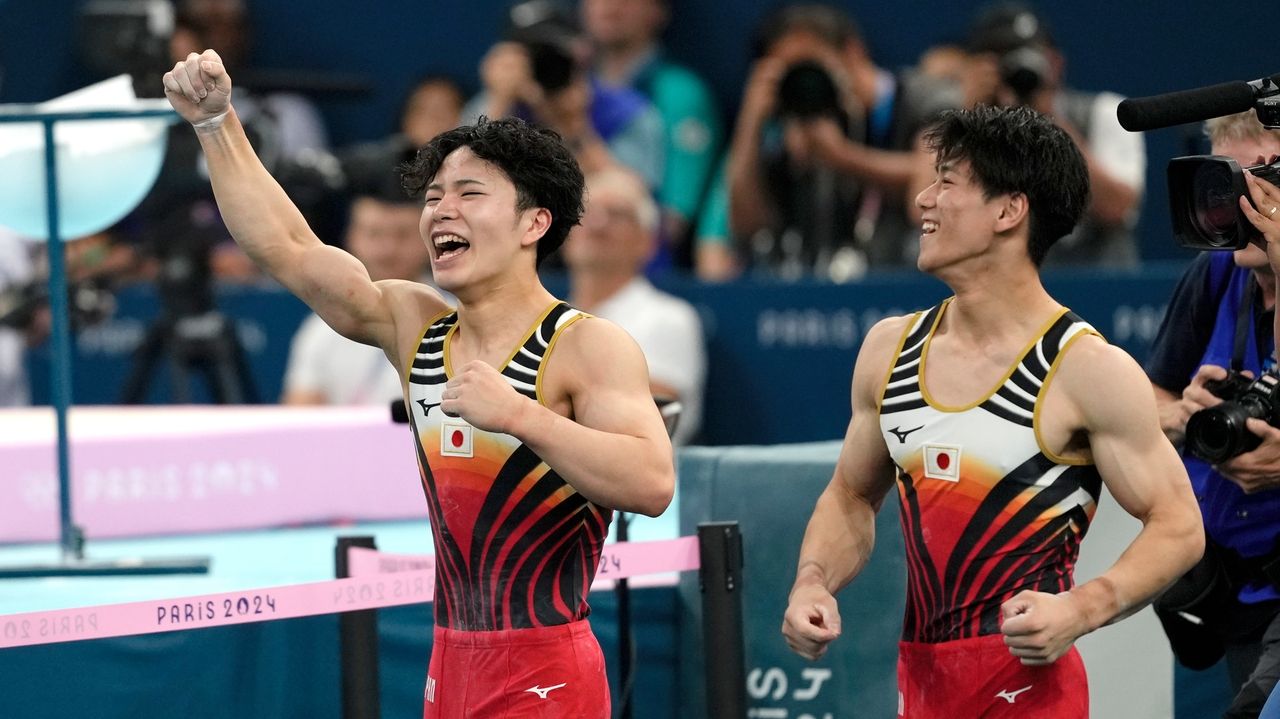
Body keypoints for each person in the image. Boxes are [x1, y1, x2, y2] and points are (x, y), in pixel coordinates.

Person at [162, 49, 674, 718]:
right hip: (448, 663)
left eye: (468, 193)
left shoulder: (584, 345)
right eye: (433, 196)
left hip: (545, 667)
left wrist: (525, 417)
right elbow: (286, 245)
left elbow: (652, 481)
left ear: (534, 222)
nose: (440, 212)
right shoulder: (417, 326)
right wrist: (215, 123)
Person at [780, 105, 1203, 716]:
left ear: (1009, 210)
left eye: (947, 181)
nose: (923, 198)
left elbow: (1179, 525)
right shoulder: (889, 351)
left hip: (1026, 686)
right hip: (920, 682)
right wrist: (811, 581)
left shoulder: (1085, 369)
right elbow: (850, 495)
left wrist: (1082, 609)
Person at [1146, 110, 1280, 718]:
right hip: (1237, 592)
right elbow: (1154, 397)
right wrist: (1184, 418)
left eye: (1263, 180)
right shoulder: (1218, 271)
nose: (1241, 207)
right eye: (1230, 183)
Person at [727, 2, 958, 280]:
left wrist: (842, 157)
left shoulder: (925, 98)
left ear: (851, 52)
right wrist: (751, 121)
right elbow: (746, 222)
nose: (803, 80)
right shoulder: (796, 123)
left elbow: (932, 180)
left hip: (908, 287)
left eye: (809, 66)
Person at [959, 2, 1145, 267]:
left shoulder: (1106, 111)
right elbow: (927, 206)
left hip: (1095, 288)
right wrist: (968, 118)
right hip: (1001, 288)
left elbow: (1117, 207)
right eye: (1004, 60)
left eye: (1028, 56)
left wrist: (1048, 120)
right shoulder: (956, 119)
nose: (1017, 68)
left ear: (1055, 62)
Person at [563, 166, 705, 444]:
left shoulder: (668, 318)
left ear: (648, 242)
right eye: (586, 212)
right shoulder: (544, 319)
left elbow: (641, 424)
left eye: (617, 214)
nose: (597, 223)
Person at [582, 0, 723, 255]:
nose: (610, 5)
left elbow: (670, 224)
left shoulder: (680, 94)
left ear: (659, 11)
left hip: (648, 273)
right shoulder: (560, 87)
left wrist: (576, 134)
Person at [281, 187, 435, 406]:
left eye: (402, 235)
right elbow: (300, 416)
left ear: (428, 239)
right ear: (351, 237)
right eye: (374, 234)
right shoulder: (321, 329)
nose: (388, 250)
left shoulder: (456, 320)